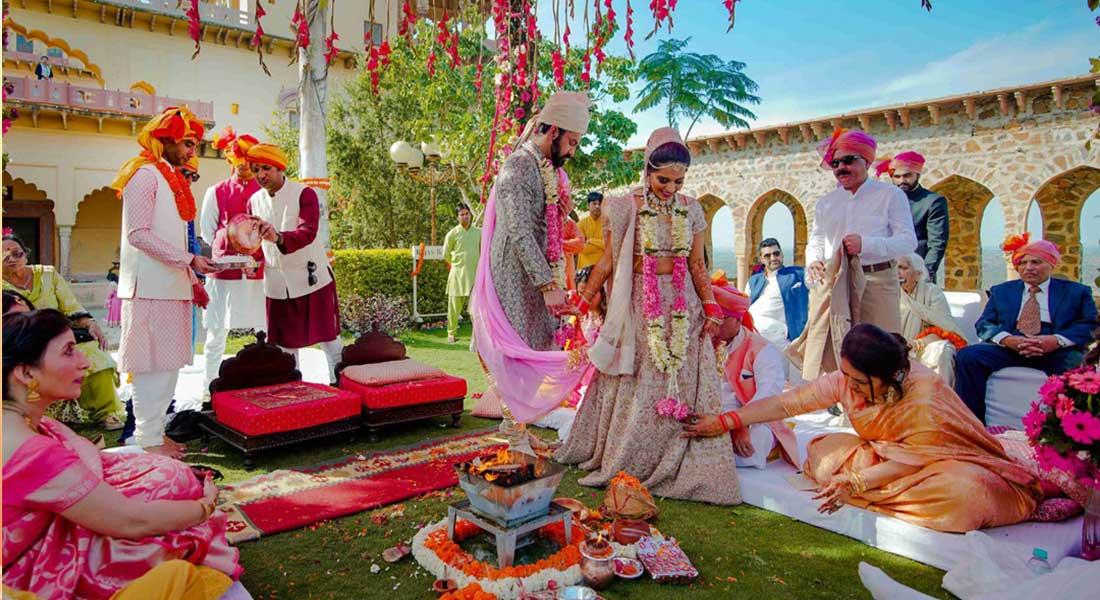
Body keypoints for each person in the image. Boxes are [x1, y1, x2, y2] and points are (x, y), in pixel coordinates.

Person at [684, 323, 1041, 532]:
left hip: (939, 464)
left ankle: (857, 489)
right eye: (846, 377)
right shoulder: (847, 379)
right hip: (885, 458)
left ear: (889, 377)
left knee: (964, 497)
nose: (849, 388)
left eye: (858, 381)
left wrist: (855, 482)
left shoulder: (924, 395)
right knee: (823, 452)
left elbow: (913, 460)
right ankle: (855, 486)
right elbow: (787, 404)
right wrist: (725, 422)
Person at [556, 127, 741, 505]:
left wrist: (710, 307)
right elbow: (607, 261)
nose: (671, 188)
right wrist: (585, 300)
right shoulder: (625, 206)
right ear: (647, 170)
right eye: (663, 180)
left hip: (683, 303)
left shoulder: (691, 209)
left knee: (682, 376)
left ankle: (680, 455)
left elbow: (697, 264)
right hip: (642, 303)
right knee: (641, 376)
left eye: (679, 181)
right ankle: (632, 457)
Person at [2, 309, 241, 598]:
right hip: (25, 576)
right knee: (170, 558)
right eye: (68, 351)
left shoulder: (25, 422)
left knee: (168, 478)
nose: (85, 362)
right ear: (27, 373)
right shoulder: (31, 450)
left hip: (95, 508)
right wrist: (204, 507)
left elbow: (86, 458)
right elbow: (132, 521)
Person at [469, 91, 593, 440]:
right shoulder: (520, 165)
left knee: (532, 350)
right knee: (514, 354)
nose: (572, 151)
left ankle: (517, 430)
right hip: (514, 276)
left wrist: (561, 212)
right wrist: (548, 285)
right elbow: (519, 230)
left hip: (534, 278)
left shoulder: (544, 169)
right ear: (553, 131)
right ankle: (513, 433)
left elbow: (541, 227)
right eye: (571, 142)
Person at [111, 106, 219, 458]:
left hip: (172, 286)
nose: (192, 152)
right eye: (187, 143)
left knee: (169, 365)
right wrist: (189, 260)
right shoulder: (144, 175)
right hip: (149, 288)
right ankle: (145, 437)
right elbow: (138, 234)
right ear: (166, 140)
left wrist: (192, 272)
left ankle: (155, 433)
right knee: (150, 366)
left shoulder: (170, 178)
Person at [954, 234, 1098, 422]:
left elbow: (1090, 324)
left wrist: (1056, 341)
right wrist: (1008, 340)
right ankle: (971, 424)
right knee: (968, 356)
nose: (1028, 267)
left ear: (1051, 264)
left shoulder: (1077, 291)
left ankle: (1069, 427)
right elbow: (984, 324)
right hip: (1012, 345)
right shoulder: (1002, 291)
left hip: (1056, 349)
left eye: (1036, 262)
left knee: (1077, 365)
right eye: (1022, 263)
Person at [244, 143, 343, 381]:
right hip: (277, 284)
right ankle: (294, 392)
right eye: (255, 170)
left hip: (311, 279)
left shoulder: (304, 193)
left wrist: (278, 237)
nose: (260, 175)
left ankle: (341, 386)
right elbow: (255, 243)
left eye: (266, 168)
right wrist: (250, 257)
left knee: (330, 340)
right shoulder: (253, 201)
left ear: (280, 168)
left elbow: (308, 232)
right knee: (285, 347)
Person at [3, 234, 123, 430]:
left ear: (26, 254)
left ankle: (107, 413)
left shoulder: (47, 274)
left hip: (59, 338)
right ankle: (37, 418)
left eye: (17, 253)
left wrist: (90, 323)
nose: (12, 259)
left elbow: (71, 306)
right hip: (23, 345)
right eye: (4, 255)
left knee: (94, 355)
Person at [806, 129, 917, 334]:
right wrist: (813, 260)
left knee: (880, 345)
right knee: (827, 345)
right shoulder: (826, 203)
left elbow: (908, 241)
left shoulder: (890, 195)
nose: (841, 167)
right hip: (834, 282)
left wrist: (865, 244)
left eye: (848, 160)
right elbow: (817, 239)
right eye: (835, 163)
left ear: (866, 162)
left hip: (876, 282)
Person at [199, 127, 266, 390]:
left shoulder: (264, 193)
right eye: (240, 163)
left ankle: (266, 378)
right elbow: (207, 230)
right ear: (231, 161)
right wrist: (227, 246)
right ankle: (210, 385)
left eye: (249, 163)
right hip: (224, 272)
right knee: (216, 330)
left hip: (257, 270)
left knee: (263, 326)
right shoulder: (216, 191)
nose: (245, 168)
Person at [711, 272, 797, 469]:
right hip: (712, 416)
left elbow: (768, 395)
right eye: (713, 318)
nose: (715, 324)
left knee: (754, 442)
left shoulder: (762, 350)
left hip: (752, 419)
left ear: (738, 320)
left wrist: (741, 423)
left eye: (722, 318)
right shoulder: (704, 343)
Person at [877, 151, 949, 281]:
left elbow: (937, 243)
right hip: (887, 273)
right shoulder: (885, 201)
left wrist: (925, 273)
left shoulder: (932, 202)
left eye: (907, 175)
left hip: (916, 273)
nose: (902, 180)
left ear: (917, 175)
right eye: (897, 177)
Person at [897, 253, 964, 386]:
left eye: (903, 268)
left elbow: (944, 325)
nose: (897, 273)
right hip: (895, 346)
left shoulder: (932, 292)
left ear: (918, 274)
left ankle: (942, 395)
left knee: (943, 350)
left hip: (924, 345)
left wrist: (917, 343)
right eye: (895, 268)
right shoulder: (890, 293)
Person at [747, 238, 808, 349]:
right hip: (753, 337)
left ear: (782, 254)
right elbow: (744, 305)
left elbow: (817, 279)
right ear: (761, 259)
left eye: (776, 253)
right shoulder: (754, 281)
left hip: (781, 338)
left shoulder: (796, 274)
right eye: (767, 256)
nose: (773, 258)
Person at [443, 204, 481, 344]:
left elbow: (482, 252)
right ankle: (451, 333)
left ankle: (478, 335)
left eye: (467, 214)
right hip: (457, 276)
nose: (465, 216)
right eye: (462, 214)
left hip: (475, 276)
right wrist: (457, 264)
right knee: (453, 308)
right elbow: (445, 254)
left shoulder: (479, 233)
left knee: (477, 308)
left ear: (470, 215)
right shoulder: (452, 234)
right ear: (457, 217)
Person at [576, 191, 606, 270]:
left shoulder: (608, 223)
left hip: (603, 267)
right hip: (585, 267)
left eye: (600, 204)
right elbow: (582, 248)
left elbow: (609, 245)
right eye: (594, 203)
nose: (597, 206)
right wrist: (600, 245)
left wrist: (590, 241)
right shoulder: (580, 224)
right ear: (588, 205)